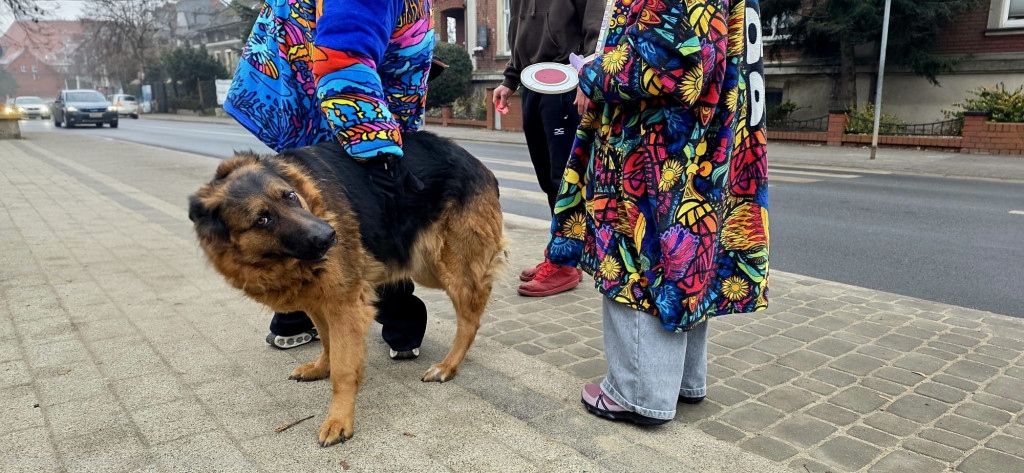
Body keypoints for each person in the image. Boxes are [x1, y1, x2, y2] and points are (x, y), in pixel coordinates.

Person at [546, 0, 770, 424]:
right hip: (703, 136)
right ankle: (680, 379)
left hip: (655, 142)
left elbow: (667, 55)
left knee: (641, 252)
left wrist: (591, 73)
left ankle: (639, 393)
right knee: (689, 250)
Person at [224, 0, 438, 359]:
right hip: (344, 112)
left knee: (303, 216)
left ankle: (293, 319)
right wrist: (380, 155)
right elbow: (343, 59)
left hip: (303, 102)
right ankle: (400, 324)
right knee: (376, 218)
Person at [492, 0, 605, 297]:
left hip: (567, 81)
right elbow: (518, 27)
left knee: (564, 179)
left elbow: (596, 23)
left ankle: (564, 264)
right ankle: (560, 253)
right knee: (546, 177)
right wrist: (510, 78)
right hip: (533, 82)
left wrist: (589, 78)